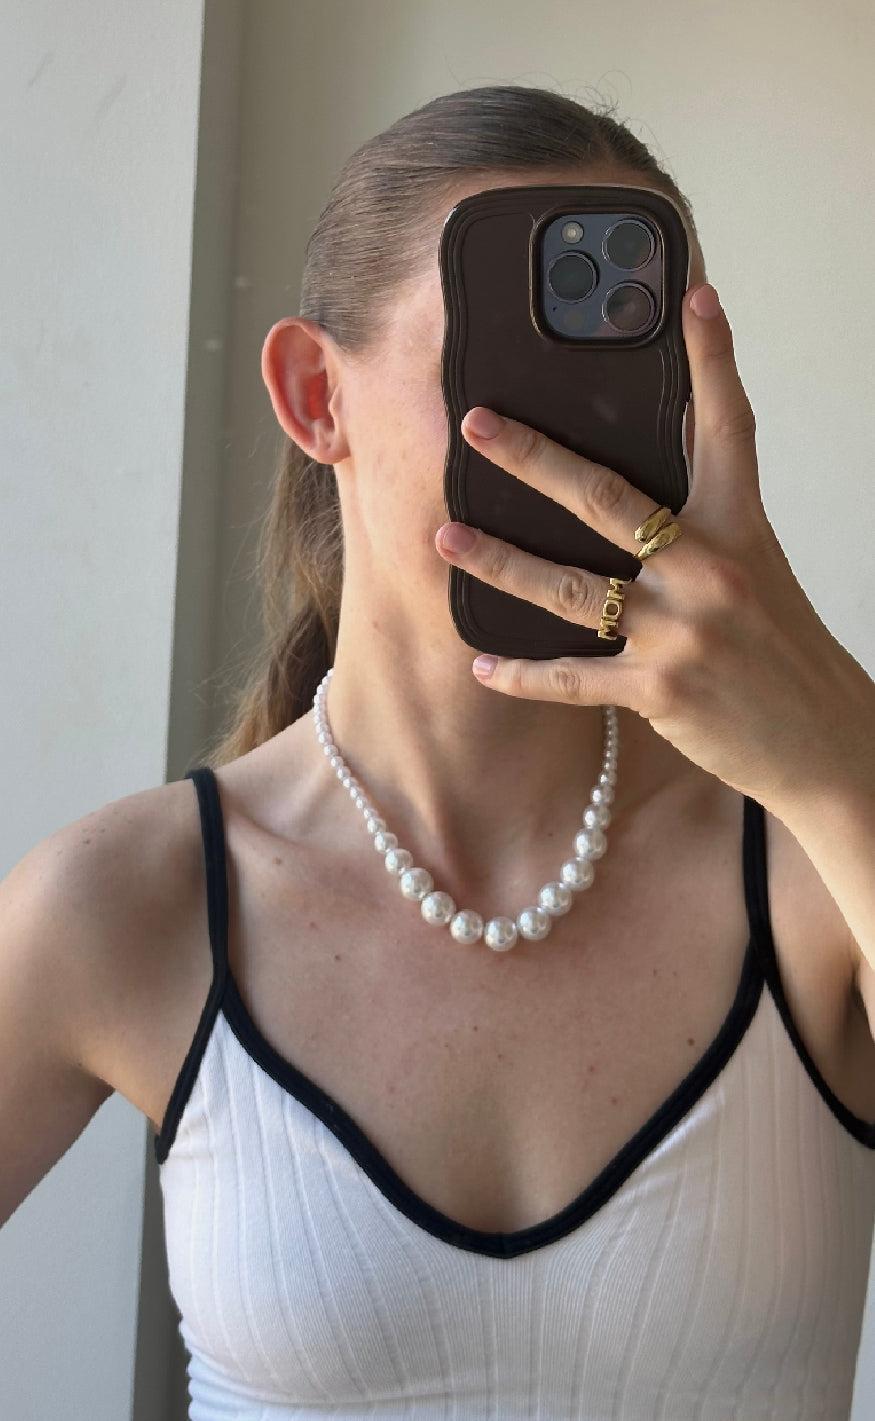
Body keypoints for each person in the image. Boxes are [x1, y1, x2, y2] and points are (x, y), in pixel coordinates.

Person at [3, 84, 875, 1419]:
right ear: (316, 396)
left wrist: (839, 752)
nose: (572, 440)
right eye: (509, 369)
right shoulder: (130, 904)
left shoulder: (816, 870)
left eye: (623, 374)